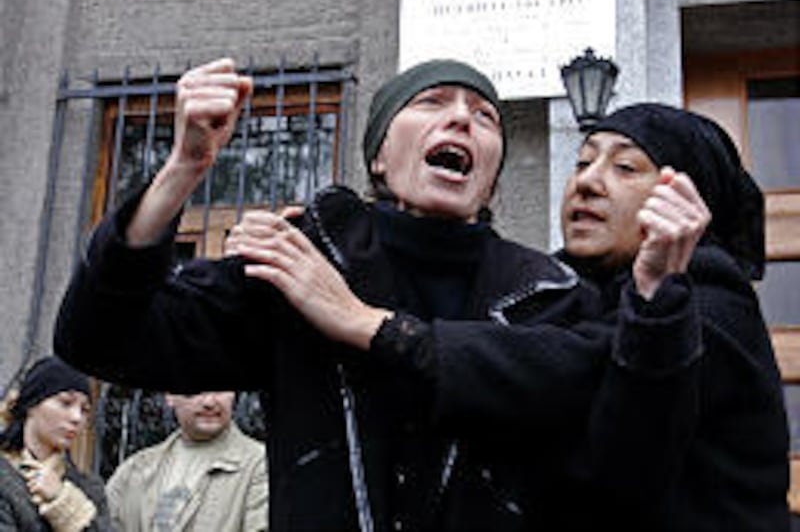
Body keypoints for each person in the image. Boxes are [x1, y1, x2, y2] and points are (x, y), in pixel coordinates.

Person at [55, 58, 694, 531]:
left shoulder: (554, 295)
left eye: (484, 116)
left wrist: (360, 322)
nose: (460, 120)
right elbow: (97, 338)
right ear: (380, 158)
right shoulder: (297, 259)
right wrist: (182, 171)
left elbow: (625, 459)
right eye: (432, 102)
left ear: (492, 177)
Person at [555, 103, 790, 531]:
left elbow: (563, 365)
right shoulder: (567, 287)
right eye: (583, 162)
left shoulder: (710, 305)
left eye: (625, 166)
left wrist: (412, 339)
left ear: (688, 203)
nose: (586, 181)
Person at [106, 390, 268, 531]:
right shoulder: (134, 470)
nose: (209, 402)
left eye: (220, 388)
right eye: (196, 389)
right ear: (170, 396)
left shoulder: (259, 465)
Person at [0, 355, 112, 531]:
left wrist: (63, 501)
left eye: (85, 410)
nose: (77, 417)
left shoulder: (90, 488)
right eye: (66, 403)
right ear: (32, 404)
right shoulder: (4, 477)